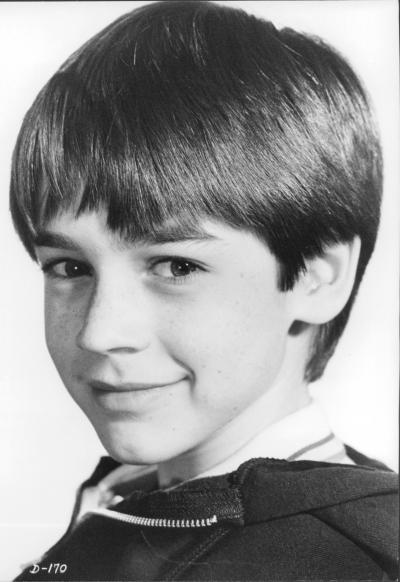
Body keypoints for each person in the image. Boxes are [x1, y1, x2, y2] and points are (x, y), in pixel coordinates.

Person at [10, 1, 397, 579]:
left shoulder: (342, 563)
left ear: (318, 276)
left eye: (176, 267)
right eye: (70, 267)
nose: (100, 332)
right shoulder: (135, 503)